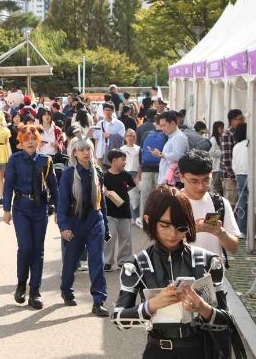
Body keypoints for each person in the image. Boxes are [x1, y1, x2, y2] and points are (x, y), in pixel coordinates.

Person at [112, 185, 232, 357]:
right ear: (148, 219)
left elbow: (226, 319)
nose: (172, 233)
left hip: (200, 350)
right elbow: (119, 319)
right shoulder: (136, 264)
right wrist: (152, 305)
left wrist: (202, 307)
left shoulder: (209, 261)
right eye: (164, 225)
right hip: (158, 351)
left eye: (181, 227)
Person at [3, 122, 58, 309]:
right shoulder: (15, 160)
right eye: (27, 139)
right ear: (21, 142)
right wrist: (6, 209)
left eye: (34, 139)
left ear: (39, 142)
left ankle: (35, 291)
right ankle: (21, 284)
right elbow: (8, 184)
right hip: (21, 208)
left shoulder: (45, 160)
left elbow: (54, 188)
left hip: (39, 208)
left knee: (38, 250)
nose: (31, 142)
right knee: (25, 247)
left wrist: (58, 210)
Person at [58, 138, 109, 316]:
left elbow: (101, 202)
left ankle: (99, 301)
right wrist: (64, 226)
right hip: (74, 222)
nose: (86, 153)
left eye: (89, 149)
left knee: (97, 261)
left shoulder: (98, 172)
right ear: (74, 153)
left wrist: (106, 227)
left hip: (95, 221)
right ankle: (66, 290)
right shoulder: (68, 173)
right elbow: (62, 202)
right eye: (82, 150)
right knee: (71, 261)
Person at [176, 152, 240, 263]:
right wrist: (192, 231)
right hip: (180, 276)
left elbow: (233, 248)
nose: (201, 187)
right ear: (181, 177)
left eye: (206, 180)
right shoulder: (172, 204)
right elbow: (162, 246)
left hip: (214, 275)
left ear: (211, 174)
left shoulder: (219, 203)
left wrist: (221, 233)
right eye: (194, 181)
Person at [103, 149, 135, 272]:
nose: (124, 162)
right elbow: (100, 188)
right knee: (110, 237)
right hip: (110, 212)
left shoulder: (126, 175)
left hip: (124, 211)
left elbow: (132, 185)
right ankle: (107, 261)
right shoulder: (105, 176)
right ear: (114, 161)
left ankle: (124, 261)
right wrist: (105, 191)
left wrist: (124, 191)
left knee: (126, 237)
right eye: (123, 160)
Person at [138, 114, 167, 228]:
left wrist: (140, 167)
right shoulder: (166, 135)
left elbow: (141, 151)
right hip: (160, 169)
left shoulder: (146, 134)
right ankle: (157, 220)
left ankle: (143, 220)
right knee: (159, 196)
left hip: (146, 169)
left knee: (145, 195)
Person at [220, 109, 244, 205]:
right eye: (239, 119)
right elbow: (227, 158)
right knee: (232, 204)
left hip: (237, 175)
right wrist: (233, 176)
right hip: (229, 177)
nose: (242, 121)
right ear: (232, 120)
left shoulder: (241, 133)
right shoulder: (227, 134)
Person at [157, 111, 189, 186]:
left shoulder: (179, 137)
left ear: (173, 123)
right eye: (161, 126)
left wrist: (161, 154)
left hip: (174, 182)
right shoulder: (172, 137)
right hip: (168, 181)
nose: (162, 128)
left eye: (164, 125)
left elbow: (177, 156)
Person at [230, 123, 250, 236]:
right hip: (251, 175)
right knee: (254, 203)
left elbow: (234, 164)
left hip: (240, 176)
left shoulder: (237, 146)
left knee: (242, 202)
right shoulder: (250, 144)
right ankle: (254, 231)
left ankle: (241, 229)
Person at [95, 102, 126, 167]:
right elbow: (96, 139)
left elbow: (122, 138)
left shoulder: (119, 124)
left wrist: (110, 136)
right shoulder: (99, 124)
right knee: (101, 173)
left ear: (113, 111)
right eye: (105, 110)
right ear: (103, 111)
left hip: (114, 153)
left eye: (109, 110)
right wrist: (95, 152)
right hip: (101, 152)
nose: (107, 112)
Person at [120, 129, 141, 222]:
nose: (130, 137)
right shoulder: (122, 149)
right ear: (125, 137)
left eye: (132, 135)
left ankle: (135, 217)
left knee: (135, 197)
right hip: (125, 173)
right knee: (127, 196)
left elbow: (141, 164)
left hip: (135, 174)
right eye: (128, 135)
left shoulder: (139, 149)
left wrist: (138, 176)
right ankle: (129, 217)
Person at [208, 121, 225, 195]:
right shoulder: (213, 139)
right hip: (216, 166)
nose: (222, 130)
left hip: (221, 165)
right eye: (221, 128)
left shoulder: (221, 138)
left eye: (222, 128)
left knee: (220, 185)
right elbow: (211, 152)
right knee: (216, 185)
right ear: (216, 128)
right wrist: (222, 152)